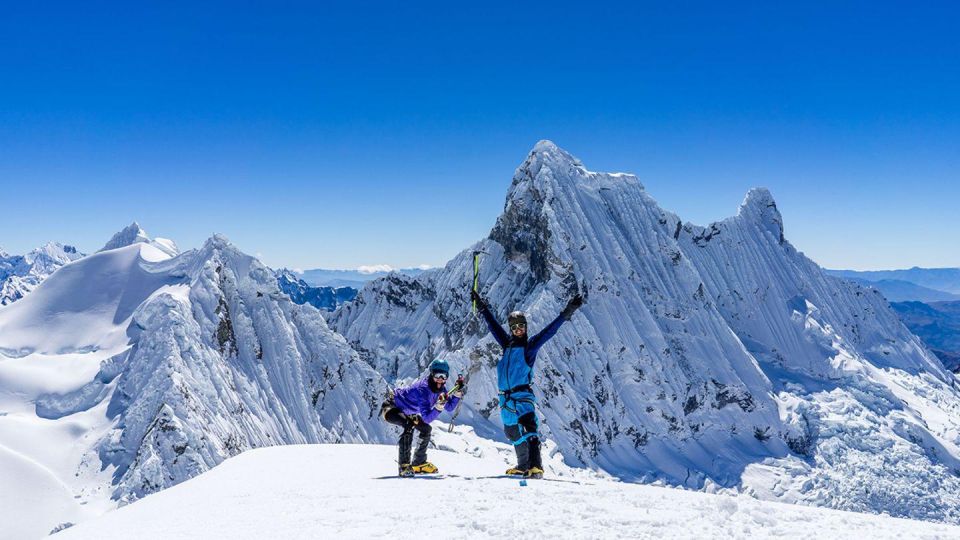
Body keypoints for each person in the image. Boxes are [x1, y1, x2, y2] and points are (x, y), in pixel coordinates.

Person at [471, 289, 584, 478]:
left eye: (521, 327)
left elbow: (549, 332)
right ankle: (523, 465)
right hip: (505, 398)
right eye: (514, 328)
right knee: (512, 431)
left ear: (525, 327)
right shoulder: (507, 344)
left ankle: (535, 466)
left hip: (521, 395)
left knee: (528, 428)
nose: (518, 331)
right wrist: (482, 307)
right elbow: (493, 327)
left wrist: (567, 312)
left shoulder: (529, 347)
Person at [380, 359, 465, 477]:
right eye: (437, 375)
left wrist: (456, 394)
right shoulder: (423, 389)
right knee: (408, 425)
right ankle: (404, 466)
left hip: (408, 411)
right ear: (431, 374)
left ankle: (418, 463)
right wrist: (438, 408)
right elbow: (427, 418)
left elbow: (450, 407)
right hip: (391, 407)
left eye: (443, 376)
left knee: (426, 429)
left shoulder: (440, 389)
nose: (440, 379)